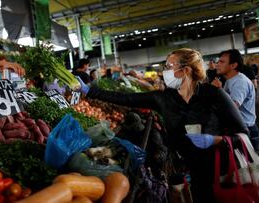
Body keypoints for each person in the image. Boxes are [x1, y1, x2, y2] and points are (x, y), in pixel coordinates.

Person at [76, 48, 248, 203]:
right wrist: (90, 91)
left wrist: (214, 140)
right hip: (190, 171)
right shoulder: (164, 98)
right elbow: (126, 98)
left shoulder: (214, 95)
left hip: (222, 171)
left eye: (168, 66)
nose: (164, 71)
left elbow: (243, 133)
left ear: (185, 70)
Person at [213, 49, 259, 152]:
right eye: (218, 61)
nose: (217, 65)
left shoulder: (239, 82)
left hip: (246, 132)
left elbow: (232, 107)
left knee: (251, 167)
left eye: (222, 62)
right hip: (238, 130)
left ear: (233, 65)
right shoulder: (230, 80)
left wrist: (219, 90)